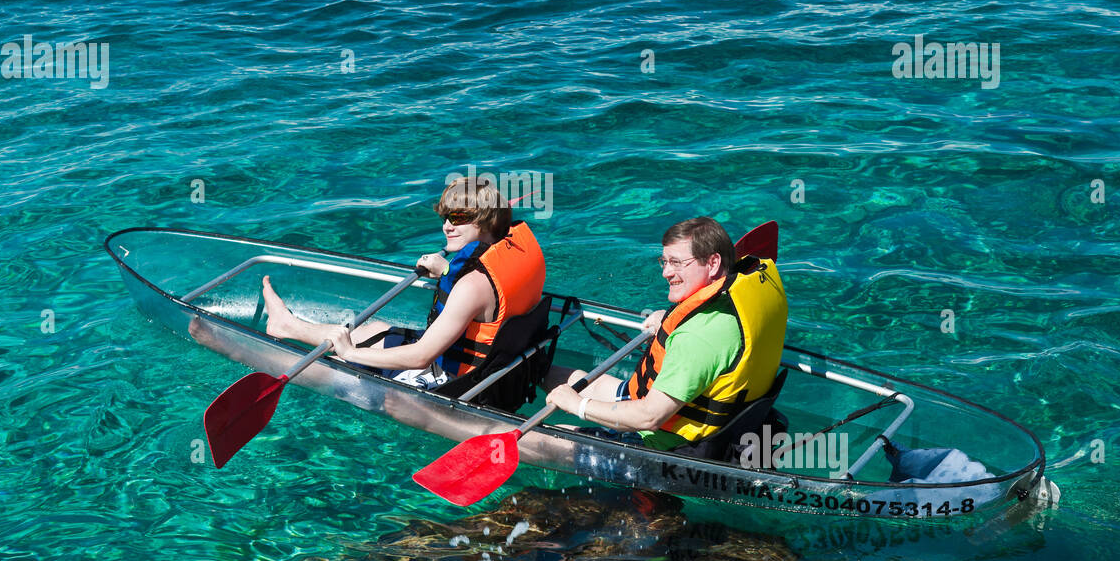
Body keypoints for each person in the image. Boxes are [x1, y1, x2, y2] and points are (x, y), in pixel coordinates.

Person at [259, 176, 546, 389]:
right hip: (499, 366)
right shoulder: (507, 251)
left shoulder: (471, 287)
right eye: (445, 216)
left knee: (337, 363)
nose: (446, 226)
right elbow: (490, 304)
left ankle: (290, 333)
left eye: (458, 218)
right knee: (375, 330)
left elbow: (420, 357)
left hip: (454, 383)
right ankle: (288, 325)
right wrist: (447, 270)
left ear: (483, 221)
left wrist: (348, 352)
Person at [544, 216, 787, 453]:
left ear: (713, 263)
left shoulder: (698, 338)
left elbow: (649, 417)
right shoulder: (739, 299)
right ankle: (533, 372)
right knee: (554, 375)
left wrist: (577, 405)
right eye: (664, 261)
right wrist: (671, 319)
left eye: (677, 262)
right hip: (715, 427)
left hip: (664, 449)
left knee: (540, 438)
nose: (665, 273)